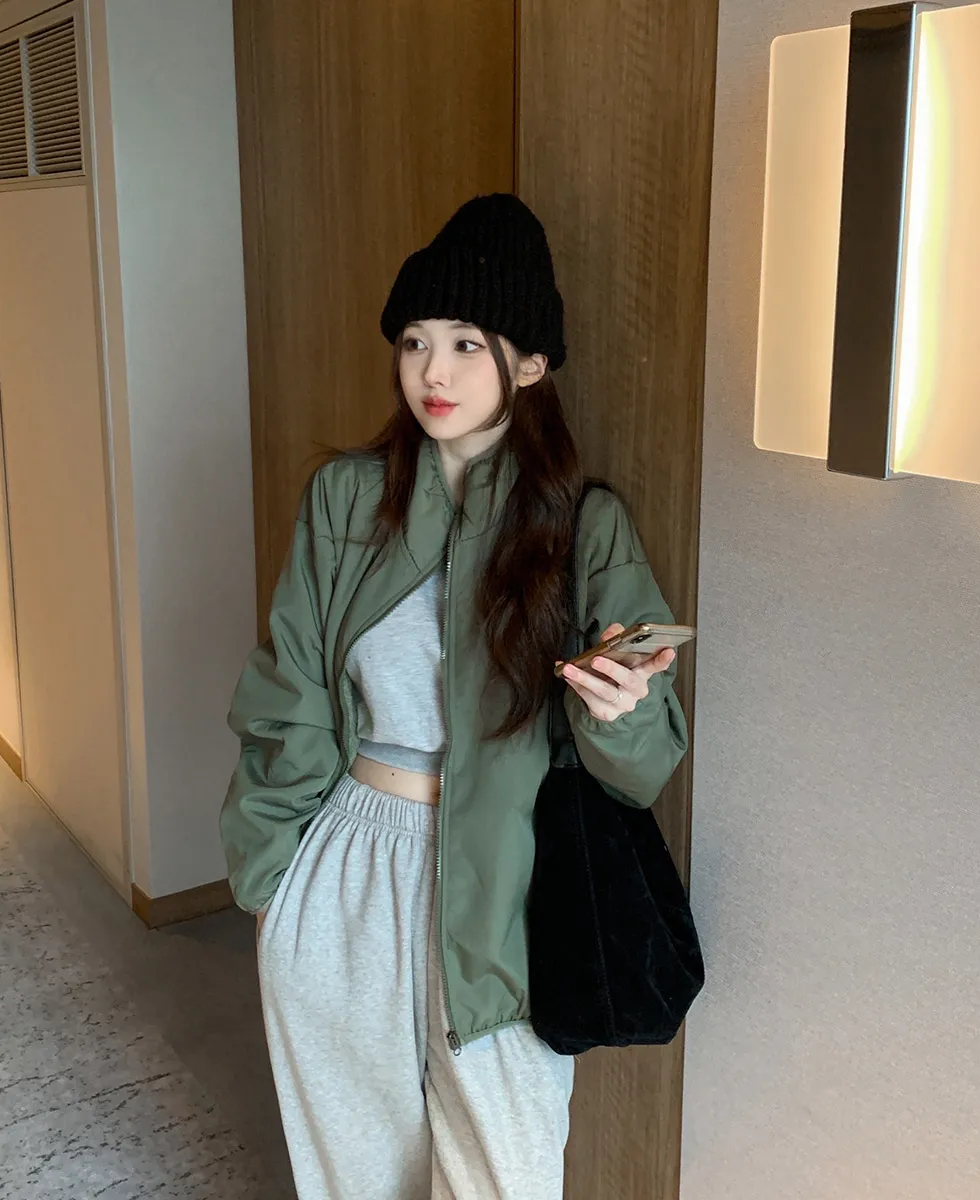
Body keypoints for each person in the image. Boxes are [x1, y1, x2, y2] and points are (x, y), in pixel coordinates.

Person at [219, 193, 688, 1200]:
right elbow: (289, 694)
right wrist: (268, 883)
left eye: (468, 344)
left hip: (506, 881)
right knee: (355, 1176)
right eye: (415, 342)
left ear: (531, 363)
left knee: (503, 1176)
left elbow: (644, 764)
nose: (433, 372)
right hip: (346, 860)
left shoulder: (584, 526)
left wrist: (617, 710)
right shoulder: (347, 500)